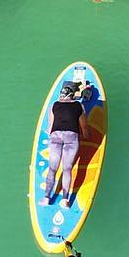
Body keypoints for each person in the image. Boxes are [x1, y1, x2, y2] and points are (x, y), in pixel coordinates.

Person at [43, 79, 86, 209]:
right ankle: (65, 200)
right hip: (71, 137)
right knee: (67, 168)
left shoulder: (54, 105)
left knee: (52, 168)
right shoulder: (79, 106)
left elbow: (50, 127)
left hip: (55, 136)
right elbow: (84, 127)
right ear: (73, 94)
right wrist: (87, 137)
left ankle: (46, 198)